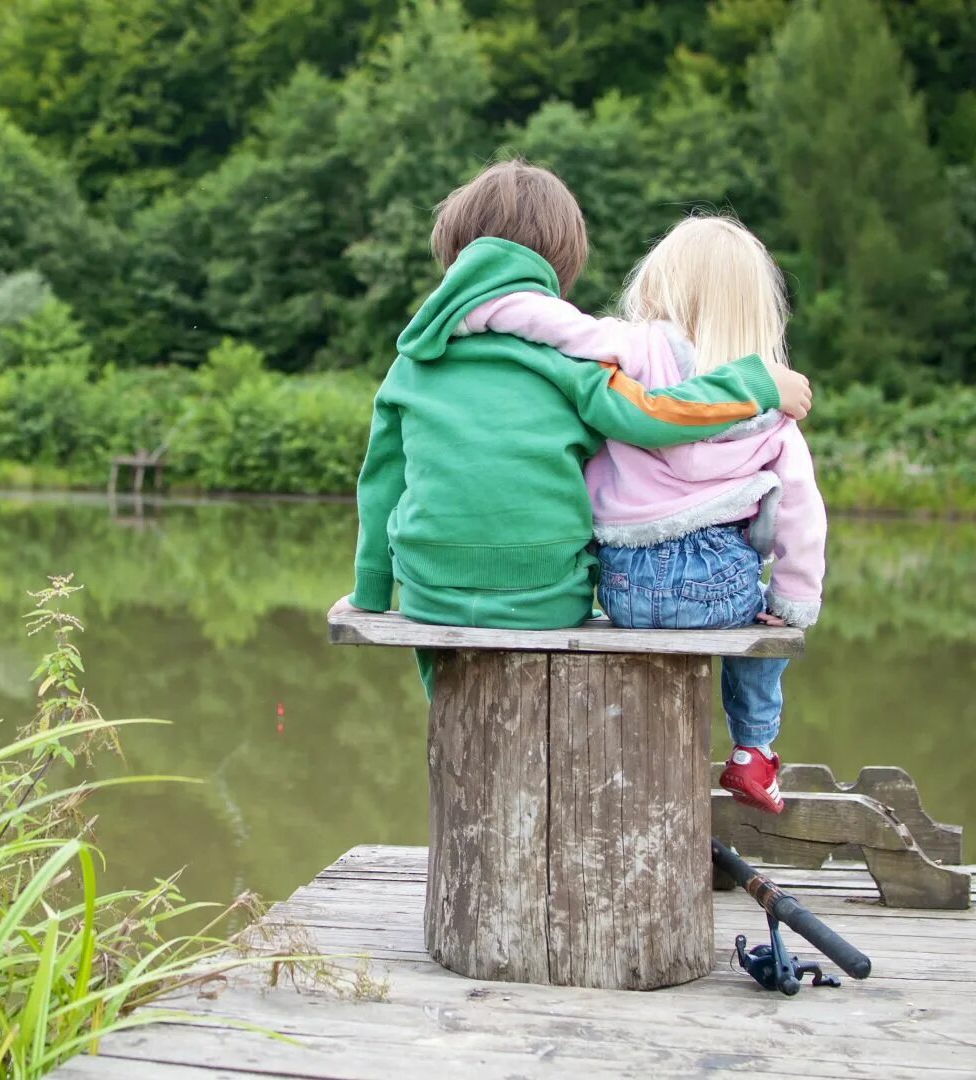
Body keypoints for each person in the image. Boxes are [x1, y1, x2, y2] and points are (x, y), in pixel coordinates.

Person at [332, 159, 813, 705]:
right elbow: (649, 417)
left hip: (425, 593)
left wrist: (370, 594)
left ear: (454, 254)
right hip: (549, 598)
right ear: (562, 264)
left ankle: (443, 700)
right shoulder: (569, 357)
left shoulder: (412, 362)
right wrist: (752, 384)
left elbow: (380, 487)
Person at [453, 214, 827, 814]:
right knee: (766, 623)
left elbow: (553, 323)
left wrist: (477, 312)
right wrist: (792, 606)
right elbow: (802, 523)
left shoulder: (635, 349)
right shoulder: (773, 404)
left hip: (625, 586)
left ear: (661, 285)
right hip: (718, 589)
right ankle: (753, 751)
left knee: (752, 612)